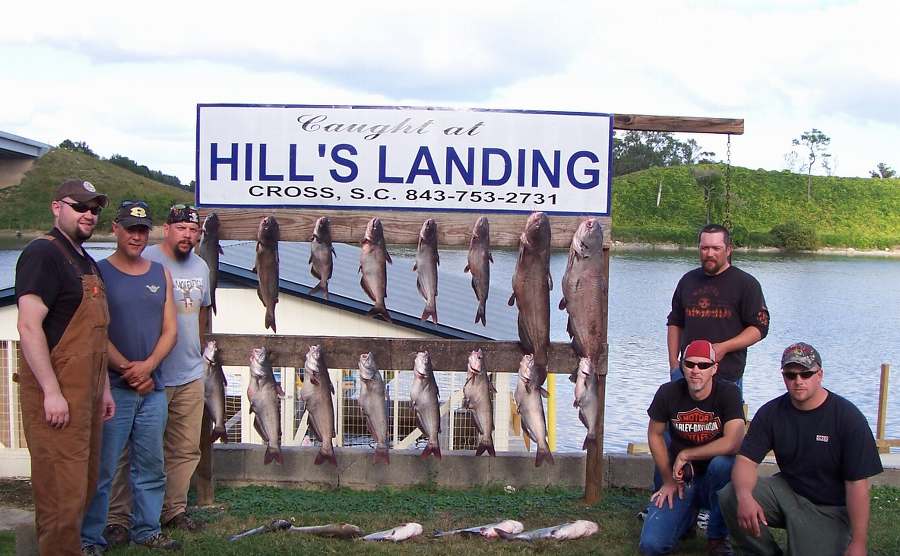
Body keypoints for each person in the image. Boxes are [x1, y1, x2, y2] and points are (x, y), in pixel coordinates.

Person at [14, 179, 114, 555]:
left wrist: (102, 390)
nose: (89, 214)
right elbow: (28, 325)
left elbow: (97, 334)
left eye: (95, 209)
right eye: (81, 207)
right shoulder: (43, 253)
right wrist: (52, 392)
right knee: (59, 493)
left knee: (80, 487)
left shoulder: (85, 260)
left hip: (86, 397)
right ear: (58, 207)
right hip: (58, 398)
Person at [79, 201, 179, 553]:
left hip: (153, 389)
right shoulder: (97, 272)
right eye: (130, 229)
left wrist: (149, 366)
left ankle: (147, 529)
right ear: (115, 229)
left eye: (142, 230)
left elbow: (170, 330)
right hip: (113, 391)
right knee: (104, 470)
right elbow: (93, 332)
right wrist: (128, 369)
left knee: (151, 466)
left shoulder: (159, 273)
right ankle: (91, 537)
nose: (137, 236)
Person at [719, 342, 883, 555]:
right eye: (790, 375)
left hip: (829, 508)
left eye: (806, 374)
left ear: (820, 374)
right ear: (783, 376)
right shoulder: (771, 412)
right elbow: (745, 461)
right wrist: (745, 497)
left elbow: (857, 486)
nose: (798, 381)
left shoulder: (848, 418)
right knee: (730, 494)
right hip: (788, 491)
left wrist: (859, 542)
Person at [106, 203, 210, 536]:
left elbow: (202, 315)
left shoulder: (202, 267)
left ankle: (173, 510)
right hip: (149, 377)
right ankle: (117, 518)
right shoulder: (145, 260)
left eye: (194, 230)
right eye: (182, 229)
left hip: (191, 371)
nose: (188, 235)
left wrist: (202, 355)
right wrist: (139, 366)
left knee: (185, 448)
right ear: (166, 229)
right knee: (127, 451)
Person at [639, 340, 745, 556]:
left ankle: (717, 537)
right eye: (690, 364)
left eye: (704, 365)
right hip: (682, 480)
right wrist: (668, 479)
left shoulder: (729, 393)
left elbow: (734, 441)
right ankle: (685, 521)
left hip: (715, 480)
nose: (696, 370)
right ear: (682, 366)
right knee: (651, 546)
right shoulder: (667, 393)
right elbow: (654, 434)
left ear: (714, 369)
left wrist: (688, 453)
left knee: (724, 464)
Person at [667, 224, 770, 390]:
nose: (709, 254)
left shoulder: (746, 284)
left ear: (728, 250)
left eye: (716, 248)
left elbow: (759, 328)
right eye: (704, 248)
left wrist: (723, 347)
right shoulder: (687, 280)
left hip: (727, 377)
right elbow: (675, 322)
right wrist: (673, 362)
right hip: (686, 375)